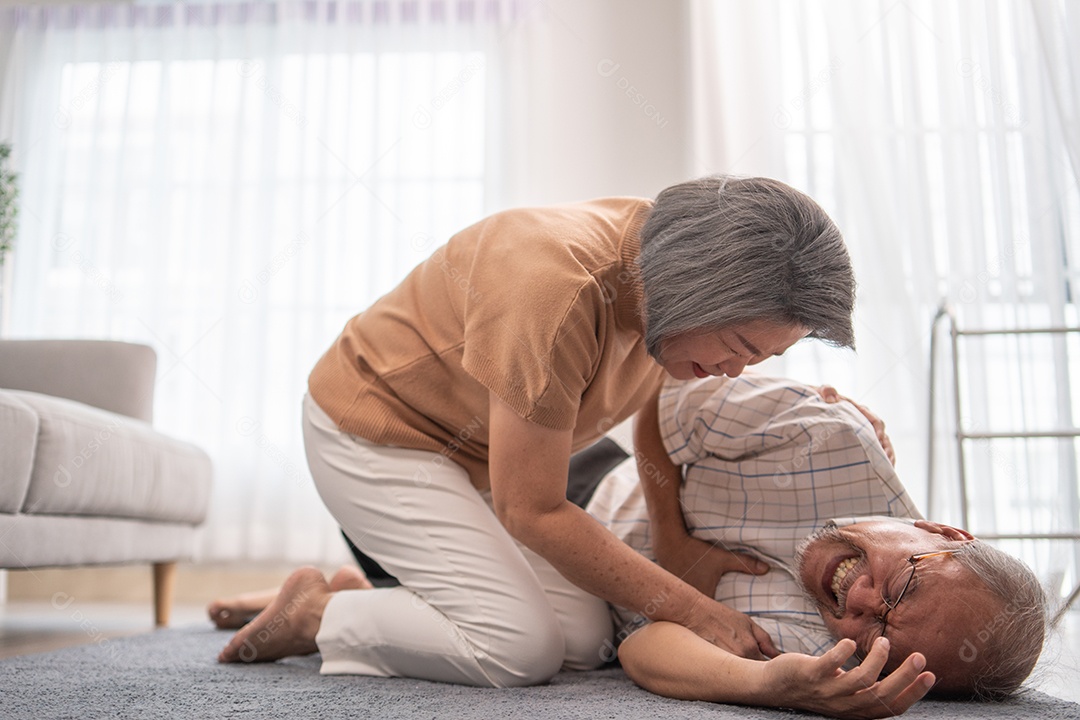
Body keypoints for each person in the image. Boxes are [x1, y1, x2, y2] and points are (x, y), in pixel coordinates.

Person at [215, 175, 867, 687]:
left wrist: (672, 537)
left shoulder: (664, 273)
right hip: (374, 431)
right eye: (738, 346)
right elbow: (531, 508)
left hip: (479, 459)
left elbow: (657, 406)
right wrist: (693, 609)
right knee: (517, 649)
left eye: (762, 359)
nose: (733, 372)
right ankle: (319, 615)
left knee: (583, 641)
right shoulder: (553, 291)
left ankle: (370, 594)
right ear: (700, 289)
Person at [586, 373, 1048, 717]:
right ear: (944, 532)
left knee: (578, 642)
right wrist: (673, 542)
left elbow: (640, 646)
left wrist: (766, 683)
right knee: (538, 650)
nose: (861, 599)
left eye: (881, 638)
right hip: (584, 496)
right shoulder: (831, 435)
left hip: (597, 605)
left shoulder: (829, 653)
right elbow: (661, 403)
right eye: (905, 585)